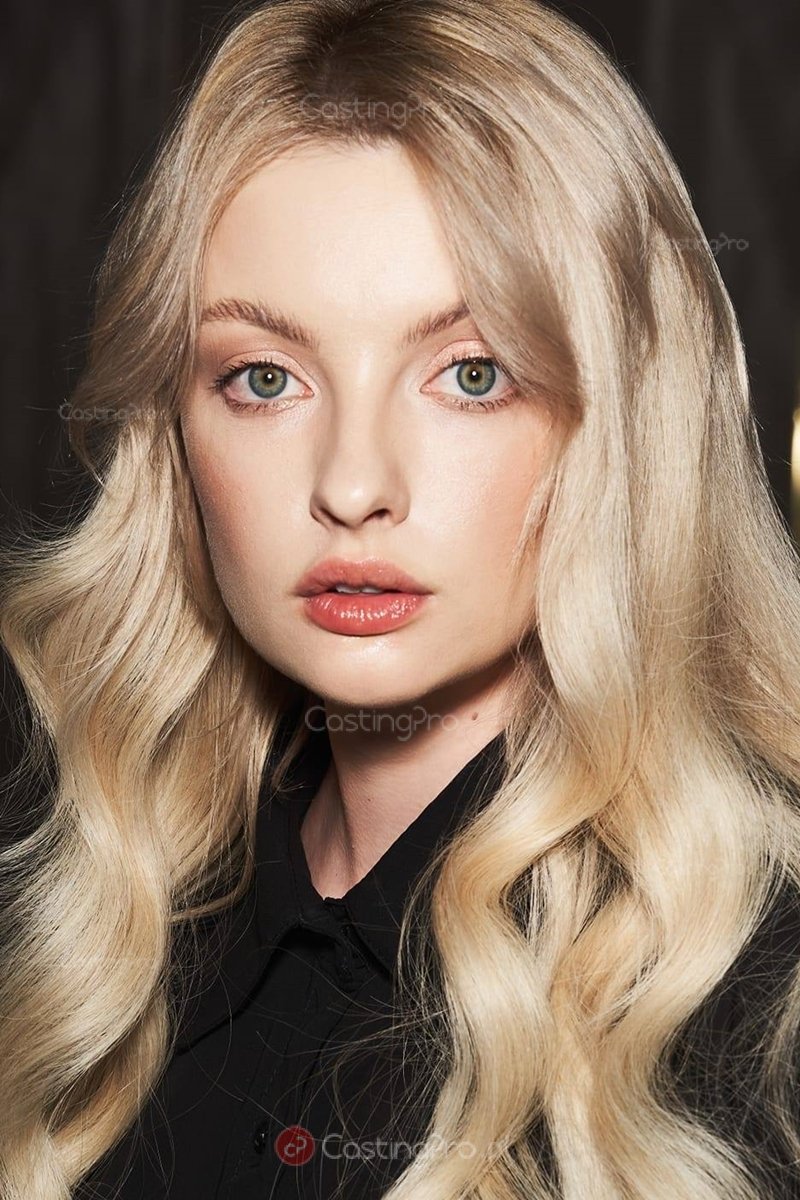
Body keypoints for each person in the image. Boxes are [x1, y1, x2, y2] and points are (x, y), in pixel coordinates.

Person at [1, 1, 800, 1197]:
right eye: (262, 378)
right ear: (173, 433)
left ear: (625, 418)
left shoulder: (757, 1007)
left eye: (470, 374)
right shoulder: (96, 944)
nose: (352, 485)